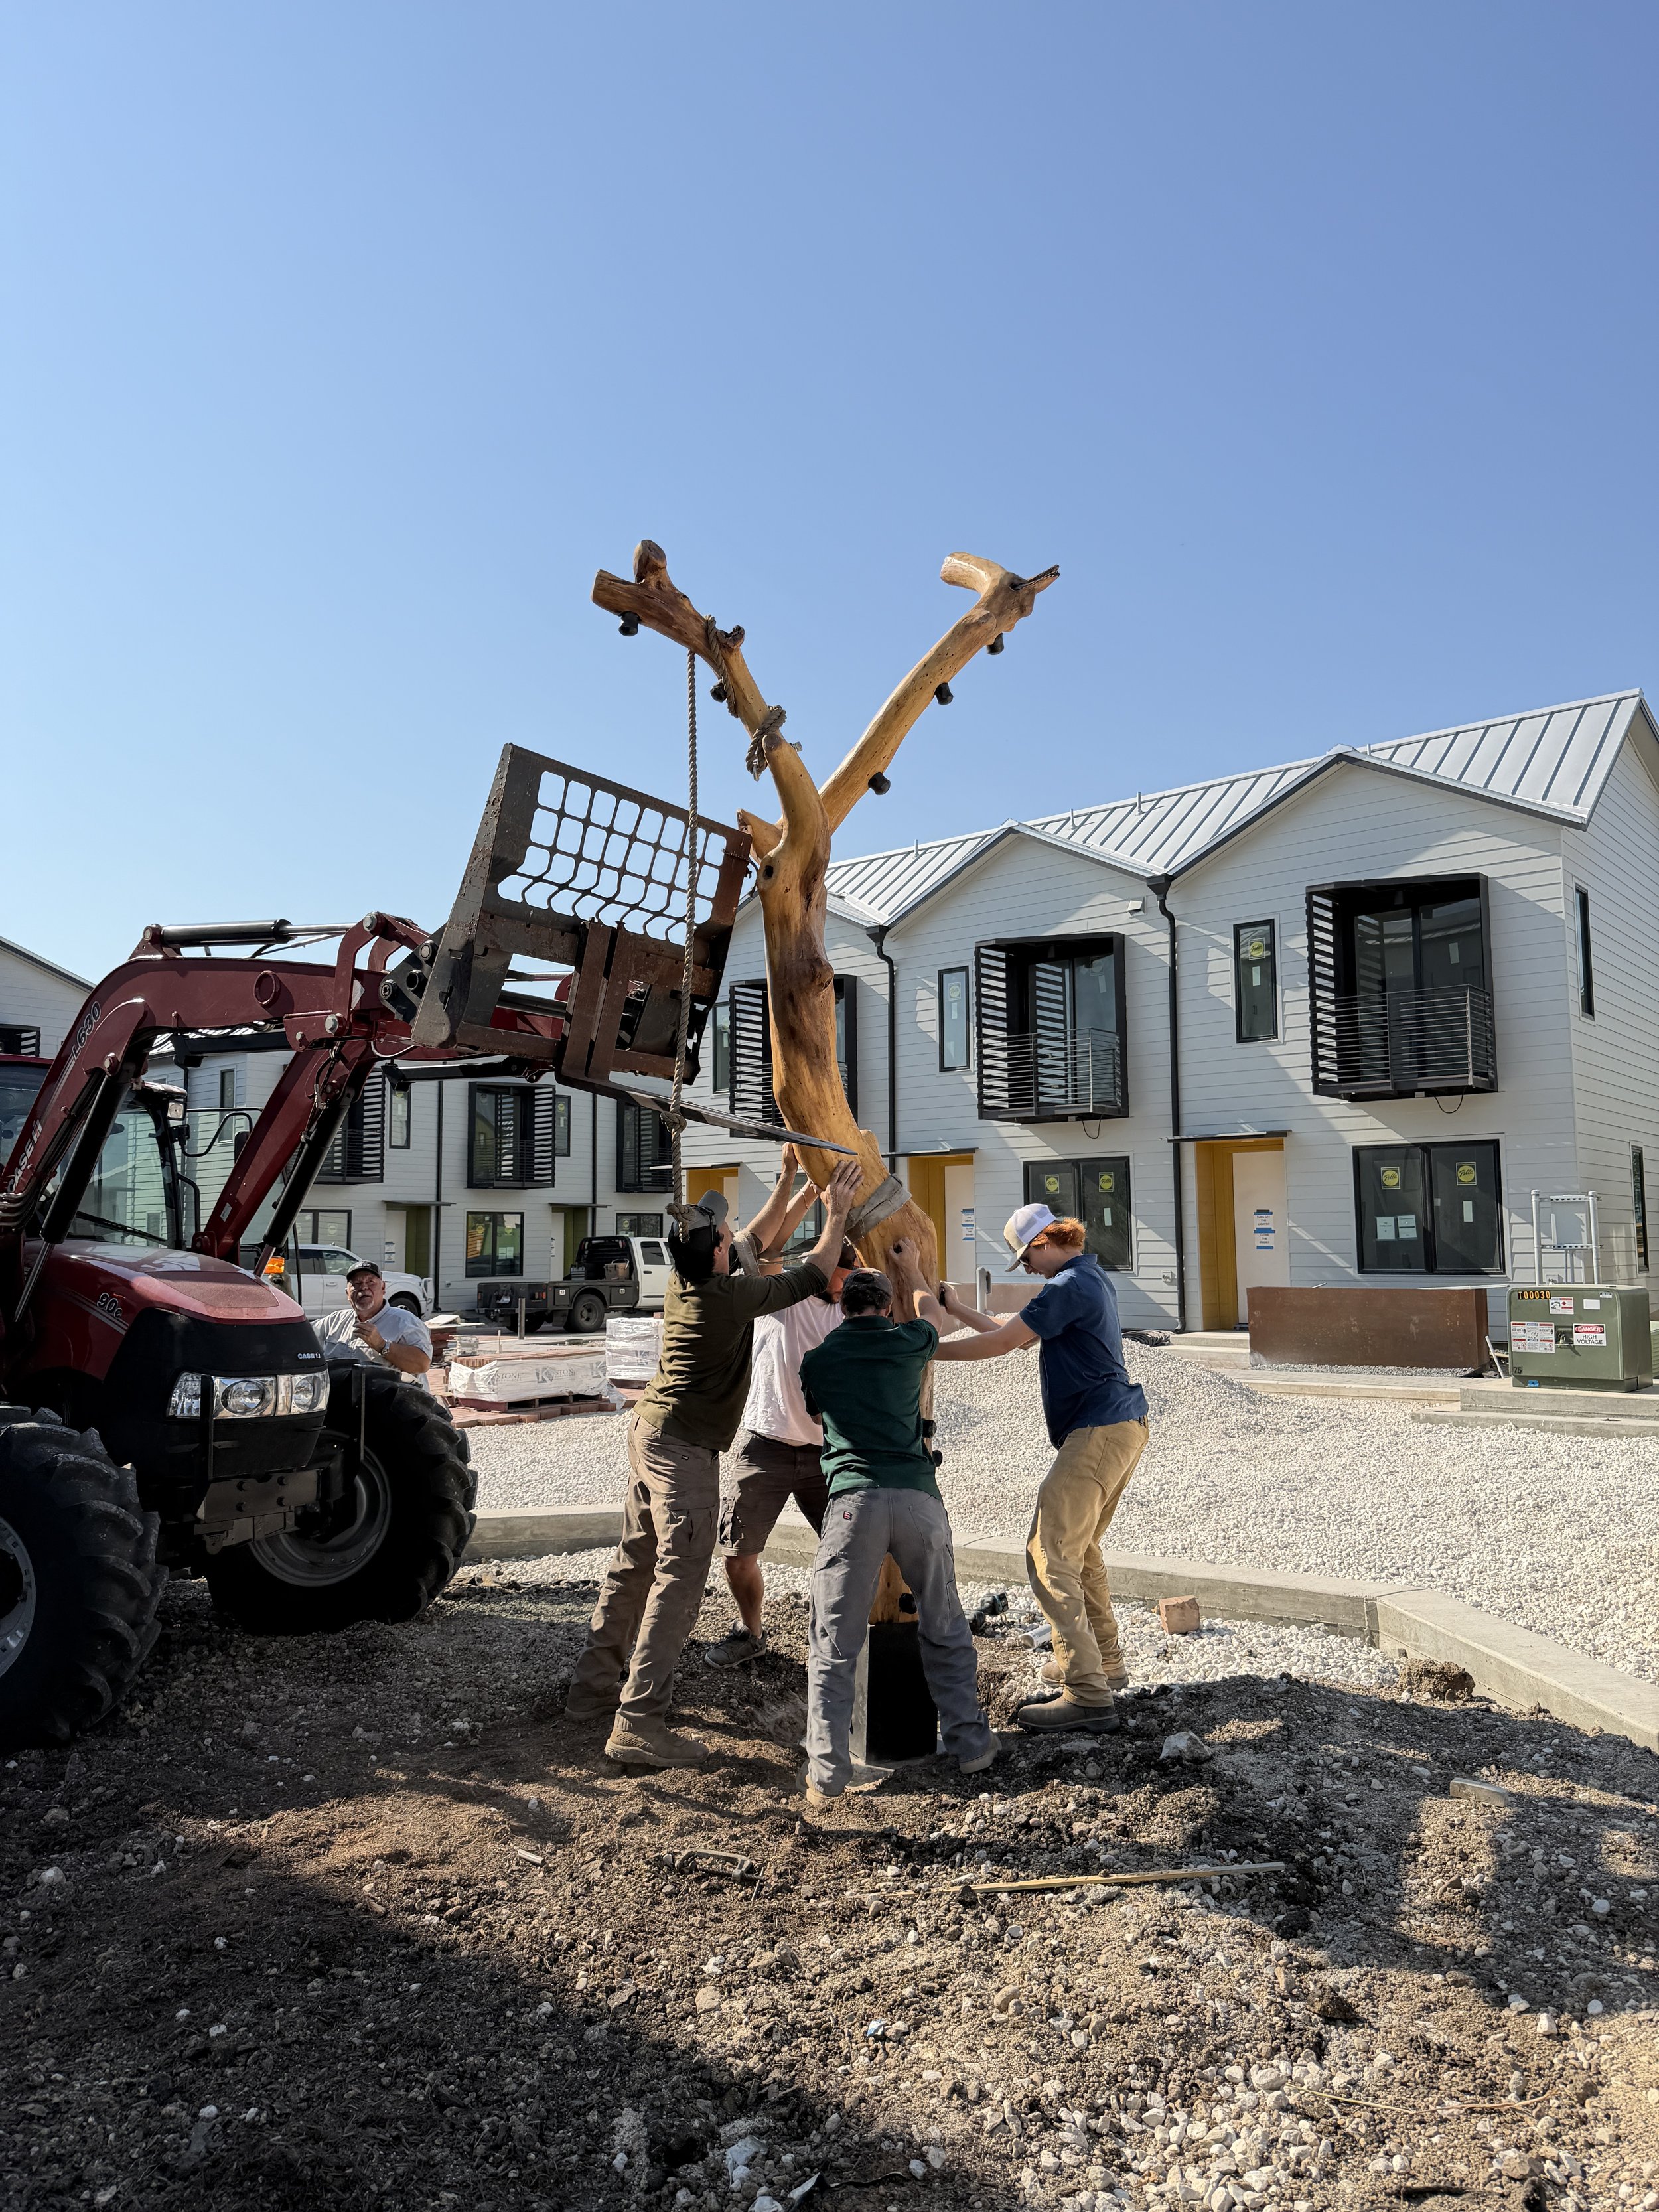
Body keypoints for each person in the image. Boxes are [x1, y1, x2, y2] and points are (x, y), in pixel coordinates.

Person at [566, 1154, 863, 1771]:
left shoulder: (689, 1276)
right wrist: (836, 1212)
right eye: (727, 1238)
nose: (736, 1238)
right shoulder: (726, 1300)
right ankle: (640, 1722)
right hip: (682, 1451)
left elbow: (758, 1237)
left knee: (634, 1562)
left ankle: (591, 1691)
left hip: (650, 1431)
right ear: (720, 1257)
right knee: (680, 1579)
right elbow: (809, 1274)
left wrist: (795, 1187)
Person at [933, 1203, 1149, 1734]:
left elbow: (1002, 1342)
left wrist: (921, 1350)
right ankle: (1102, 1661)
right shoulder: (1085, 1278)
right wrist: (959, 1311)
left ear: (1046, 1242)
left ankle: (1087, 1692)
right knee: (1081, 1549)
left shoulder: (1068, 1286)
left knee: (1048, 1550)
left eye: (1026, 1257)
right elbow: (1017, 1337)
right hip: (1121, 1424)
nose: (1026, 1268)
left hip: (1098, 1429)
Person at [798, 1241, 998, 1805]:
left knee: (833, 1642)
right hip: (916, 1495)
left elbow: (816, 1414)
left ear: (843, 1306)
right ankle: (971, 1745)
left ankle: (827, 1774)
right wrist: (911, 1269)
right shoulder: (911, 1342)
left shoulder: (819, 1358)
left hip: (850, 1504)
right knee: (945, 1623)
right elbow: (932, 1316)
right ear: (886, 1308)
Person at [704, 1236, 859, 1670]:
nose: (849, 1284)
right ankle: (751, 1632)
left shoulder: (853, 1313)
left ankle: (837, 1642)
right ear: (824, 1268)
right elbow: (756, 1250)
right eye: (845, 1274)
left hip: (826, 1452)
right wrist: (807, 1192)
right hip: (764, 1447)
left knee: (849, 1553)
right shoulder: (782, 1299)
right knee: (737, 1556)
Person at [313, 1262, 432, 1381]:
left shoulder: (405, 1322)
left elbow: (422, 1365)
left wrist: (382, 1345)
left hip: (393, 1399)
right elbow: (303, 1335)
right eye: (356, 1283)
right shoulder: (334, 1322)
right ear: (347, 1294)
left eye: (370, 1282)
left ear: (383, 1288)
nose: (364, 1287)